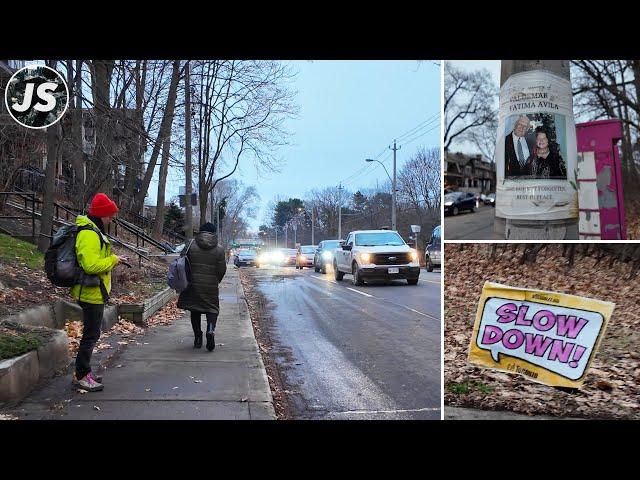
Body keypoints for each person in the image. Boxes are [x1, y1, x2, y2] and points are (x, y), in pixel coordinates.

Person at [71, 193, 127, 392]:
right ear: (101, 215)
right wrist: (113, 260)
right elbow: (91, 265)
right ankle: (82, 376)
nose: (111, 220)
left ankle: (83, 372)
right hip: (90, 293)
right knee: (91, 335)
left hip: (94, 292)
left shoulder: (93, 231)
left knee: (91, 334)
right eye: (109, 216)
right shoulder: (89, 234)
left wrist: (112, 258)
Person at [177, 222, 227, 351]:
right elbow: (222, 269)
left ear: (200, 231)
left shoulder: (190, 245)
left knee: (195, 310)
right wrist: (216, 281)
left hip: (192, 284)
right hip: (211, 285)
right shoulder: (220, 249)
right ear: (213, 233)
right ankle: (210, 330)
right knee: (212, 309)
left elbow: (182, 262)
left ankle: (198, 337)